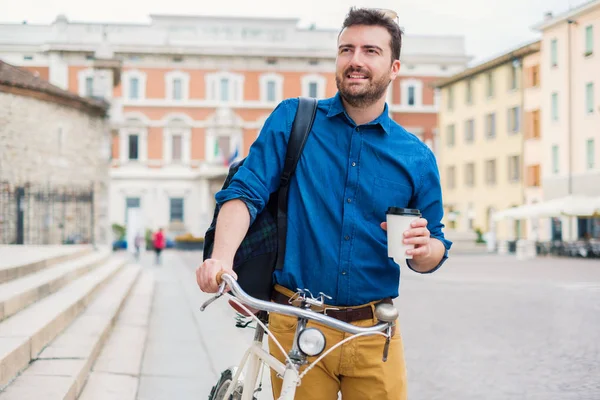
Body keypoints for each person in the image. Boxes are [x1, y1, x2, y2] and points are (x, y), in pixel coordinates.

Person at [197, 7, 452, 400]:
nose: (356, 60)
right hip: (295, 327)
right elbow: (245, 192)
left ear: (394, 67)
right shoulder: (294, 120)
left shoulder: (416, 156)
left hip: (372, 333)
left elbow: (434, 248)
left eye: (370, 51)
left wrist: (423, 249)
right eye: (346, 49)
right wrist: (221, 257)